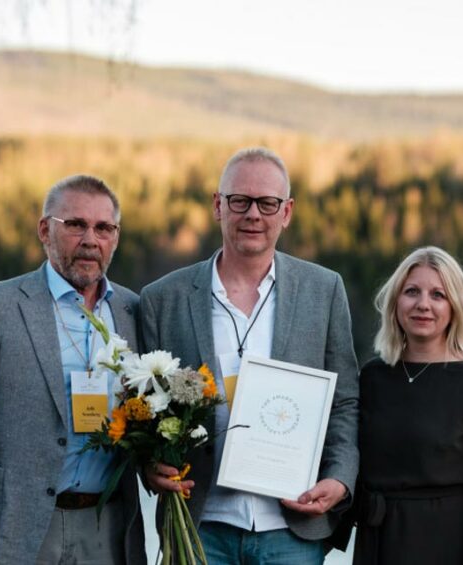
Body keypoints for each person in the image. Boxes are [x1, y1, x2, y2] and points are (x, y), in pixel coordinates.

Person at [139, 147, 359, 564]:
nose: (253, 214)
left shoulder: (324, 291)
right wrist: (150, 467)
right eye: (239, 201)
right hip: (199, 524)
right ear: (218, 206)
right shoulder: (162, 299)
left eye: (267, 203)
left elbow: (345, 400)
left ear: (287, 211)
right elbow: (143, 409)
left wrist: (340, 478)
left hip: (291, 528)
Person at [0, 175, 147, 565]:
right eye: (75, 225)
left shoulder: (133, 311)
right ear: (45, 230)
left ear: (116, 236)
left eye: (103, 228)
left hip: (109, 530)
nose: (90, 239)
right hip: (14, 534)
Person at [339, 246, 463, 564]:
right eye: (412, 292)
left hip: (446, 547)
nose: (423, 305)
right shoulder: (372, 377)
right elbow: (347, 463)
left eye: (438, 295)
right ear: (395, 302)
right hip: (377, 546)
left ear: (456, 306)